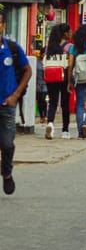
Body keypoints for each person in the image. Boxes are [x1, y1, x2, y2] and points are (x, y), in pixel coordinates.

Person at [0, 13, 33, 194]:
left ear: (3, 26)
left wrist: (16, 95)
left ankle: (6, 172)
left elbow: (28, 71)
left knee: (7, 144)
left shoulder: (12, 48)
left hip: (7, 104)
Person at [40, 23, 72, 139]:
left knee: (52, 102)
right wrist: (69, 82)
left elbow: (44, 62)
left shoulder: (49, 47)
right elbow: (70, 65)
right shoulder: (69, 47)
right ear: (65, 33)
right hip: (63, 77)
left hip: (51, 77)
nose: (71, 34)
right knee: (65, 104)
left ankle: (50, 123)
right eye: (69, 32)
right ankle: (65, 130)